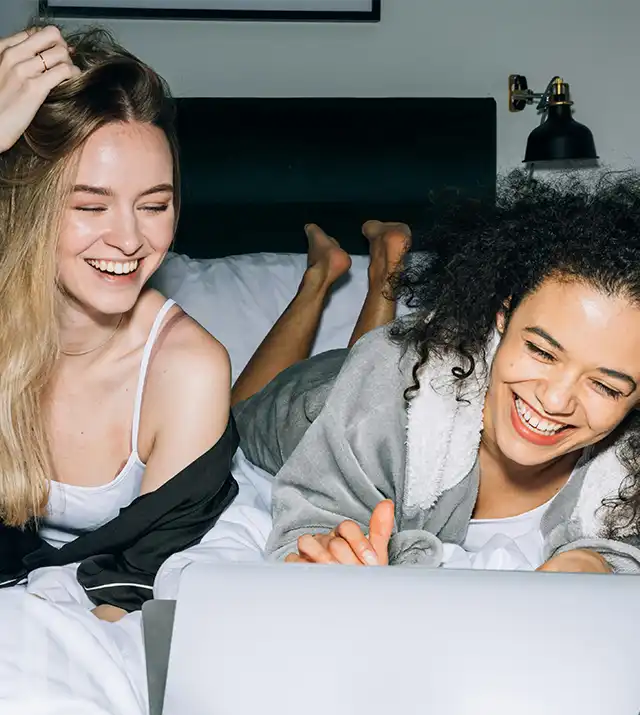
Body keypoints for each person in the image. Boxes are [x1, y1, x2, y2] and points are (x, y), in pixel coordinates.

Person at [244, 171, 640, 574]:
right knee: (237, 406)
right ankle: (320, 276)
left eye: (606, 387)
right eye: (540, 350)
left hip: (380, 381)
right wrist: (326, 548)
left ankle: (384, 272)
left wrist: (602, 567)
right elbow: (312, 522)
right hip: (318, 398)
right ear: (503, 316)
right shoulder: (389, 377)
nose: (555, 401)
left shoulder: (627, 462)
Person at [0, 25, 238, 621]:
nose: (130, 239)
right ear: (26, 206)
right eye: (89, 205)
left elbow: (131, 589)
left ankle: (321, 281)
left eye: (155, 205)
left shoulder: (186, 368)